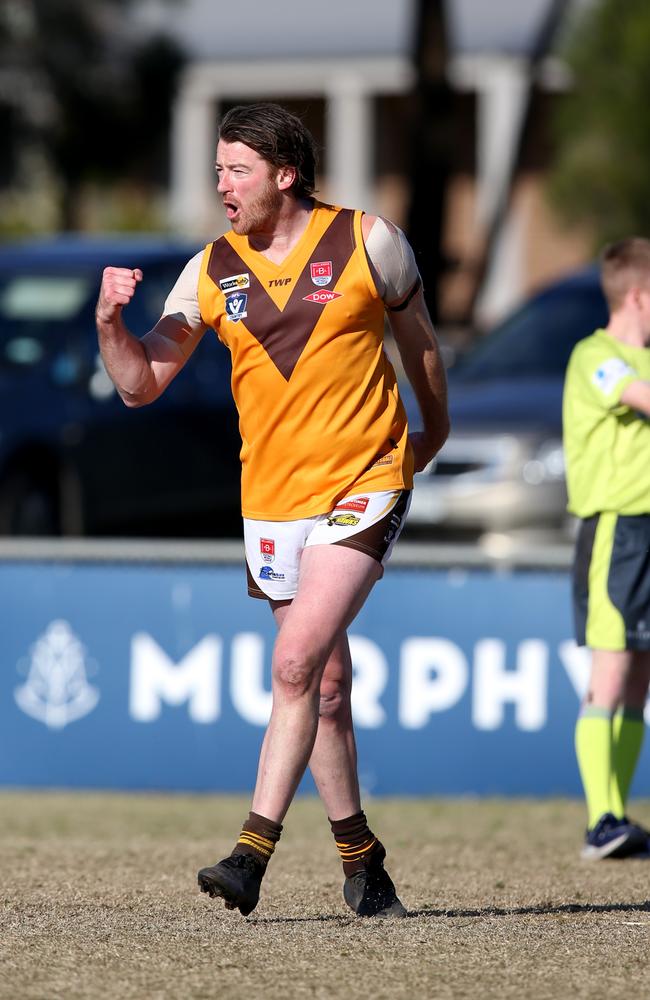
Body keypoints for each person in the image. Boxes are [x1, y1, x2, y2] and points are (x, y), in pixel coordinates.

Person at [96, 102, 449, 915]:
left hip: (365, 478)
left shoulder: (371, 241)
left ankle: (250, 854)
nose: (221, 185)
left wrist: (430, 436)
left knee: (292, 665)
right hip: (273, 500)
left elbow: (421, 344)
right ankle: (363, 865)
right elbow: (140, 383)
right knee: (322, 684)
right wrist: (111, 323)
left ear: (284, 175)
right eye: (218, 170)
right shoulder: (209, 268)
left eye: (237, 171)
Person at [563, 236, 650, 861]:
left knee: (639, 680)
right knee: (612, 674)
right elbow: (636, 396)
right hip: (617, 530)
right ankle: (600, 822)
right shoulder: (597, 355)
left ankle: (619, 816)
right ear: (640, 295)